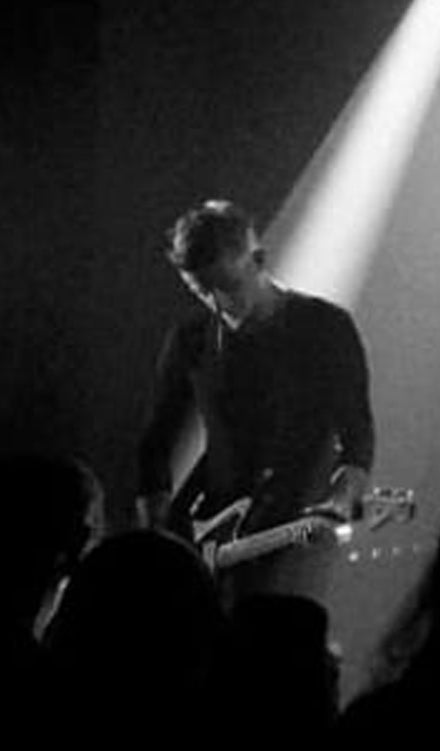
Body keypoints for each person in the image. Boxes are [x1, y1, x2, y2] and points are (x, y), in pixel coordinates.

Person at [135, 200, 375, 602]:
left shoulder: (325, 327)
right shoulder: (192, 337)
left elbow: (357, 431)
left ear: (258, 259)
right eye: (201, 291)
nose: (217, 303)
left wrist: (340, 499)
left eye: (227, 286)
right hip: (208, 521)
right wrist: (155, 525)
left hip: (294, 523)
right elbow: (156, 438)